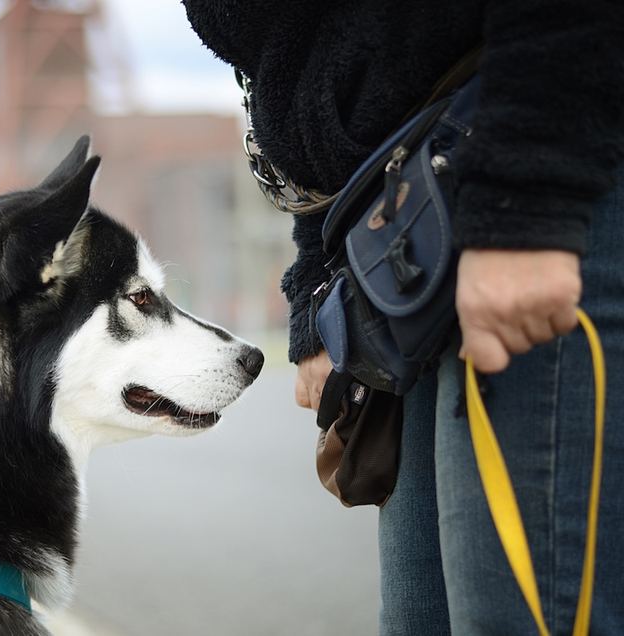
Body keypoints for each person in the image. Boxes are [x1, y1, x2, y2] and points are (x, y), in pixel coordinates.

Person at [182, 1, 624, 633]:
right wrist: (316, 283)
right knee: (419, 619)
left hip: (526, 150)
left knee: (517, 615)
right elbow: (280, 66)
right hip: (402, 221)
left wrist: (527, 202)